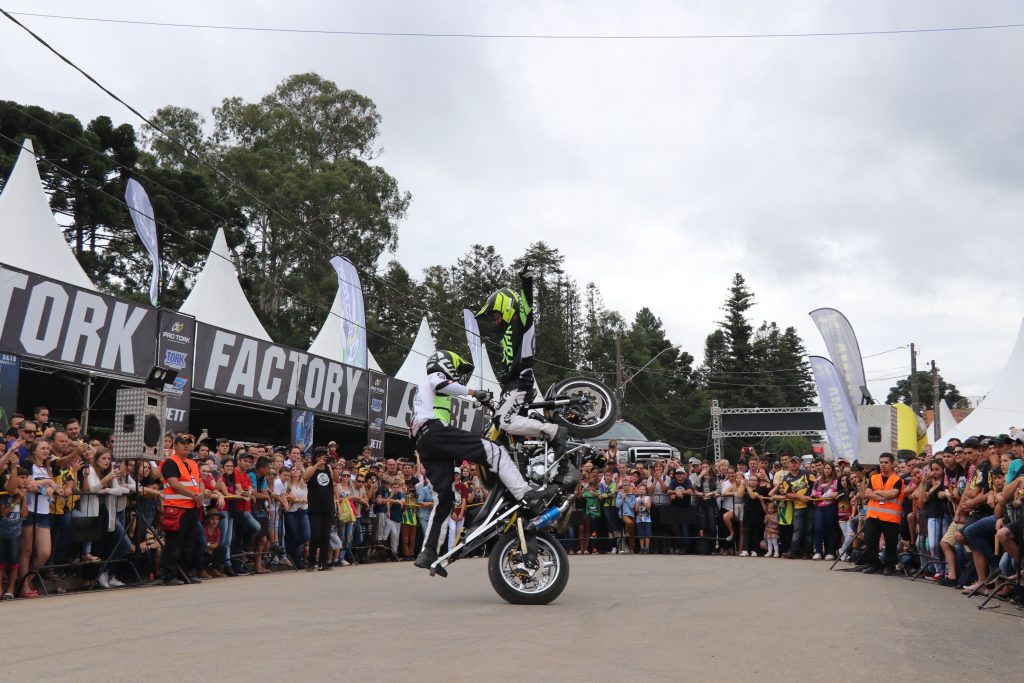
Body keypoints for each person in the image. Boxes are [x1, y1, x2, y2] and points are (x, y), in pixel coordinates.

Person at [412, 350, 549, 574]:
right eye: (454, 371)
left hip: (424, 441)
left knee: (444, 498)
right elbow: (442, 383)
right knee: (494, 450)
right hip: (434, 431)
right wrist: (476, 393)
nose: (456, 376)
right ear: (445, 364)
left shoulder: (423, 393)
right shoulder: (433, 377)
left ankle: (428, 551)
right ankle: (526, 493)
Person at [475, 265, 567, 451]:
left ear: (506, 307)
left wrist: (526, 282)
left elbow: (527, 306)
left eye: (496, 314)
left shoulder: (521, 322)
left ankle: (552, 431)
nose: (496, 320)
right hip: (511, 386)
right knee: (499, 427)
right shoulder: (508, 331)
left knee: (502, 421)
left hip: (520, 382)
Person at [160, 435, 203, 586]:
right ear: (175, 445)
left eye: (189, 443)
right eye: (183, 443)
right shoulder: (170, 462)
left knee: (189, 543)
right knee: (174, 543)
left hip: (191, 507)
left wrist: (201, 493)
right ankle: (169, 576)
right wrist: (194, 495)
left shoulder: (192, 463)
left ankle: (184, 573)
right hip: (176, 507)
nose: (187, 446)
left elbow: (199, 482)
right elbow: (174, 484)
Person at [859, 454, 905, 575]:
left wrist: (878, 492)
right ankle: (874, 564)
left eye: (886, 462)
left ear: (892, 464)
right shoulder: (874, 478)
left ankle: (889, 566)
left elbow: (893, 494)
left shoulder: (898, 480)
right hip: (873, 515)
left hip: (890, 517)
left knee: (891, 543)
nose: (883, 464)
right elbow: (868, 494)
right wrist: (884, 494)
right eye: (881, 462)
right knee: (870, 539)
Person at [304, 447, 336, 572]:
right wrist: (317, 464)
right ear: (315, 457)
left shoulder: (328, 469)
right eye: (319, 456)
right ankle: (311, 562)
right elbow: (305, 477)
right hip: (315, 507)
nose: (322, 458)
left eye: (324, 456)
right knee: (315, 535)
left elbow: (336, 480)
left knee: (325, 535)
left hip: (327, 507)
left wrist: (333, 467)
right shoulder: (311, 469)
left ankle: (324, 563)